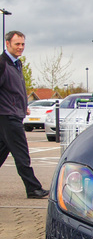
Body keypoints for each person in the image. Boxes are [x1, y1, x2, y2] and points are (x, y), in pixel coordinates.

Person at [0, 31, 49, 199]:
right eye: (17, 44)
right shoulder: (2, 63)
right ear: (7, 44)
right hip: (7, 116)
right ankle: (33, 188)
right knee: (22, 153)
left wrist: (23, 106)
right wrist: (11, 107)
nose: (21, 47)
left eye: (22, 44)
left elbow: (13, 90)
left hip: (13, 113)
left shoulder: (17, 63)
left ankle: (32, 188)